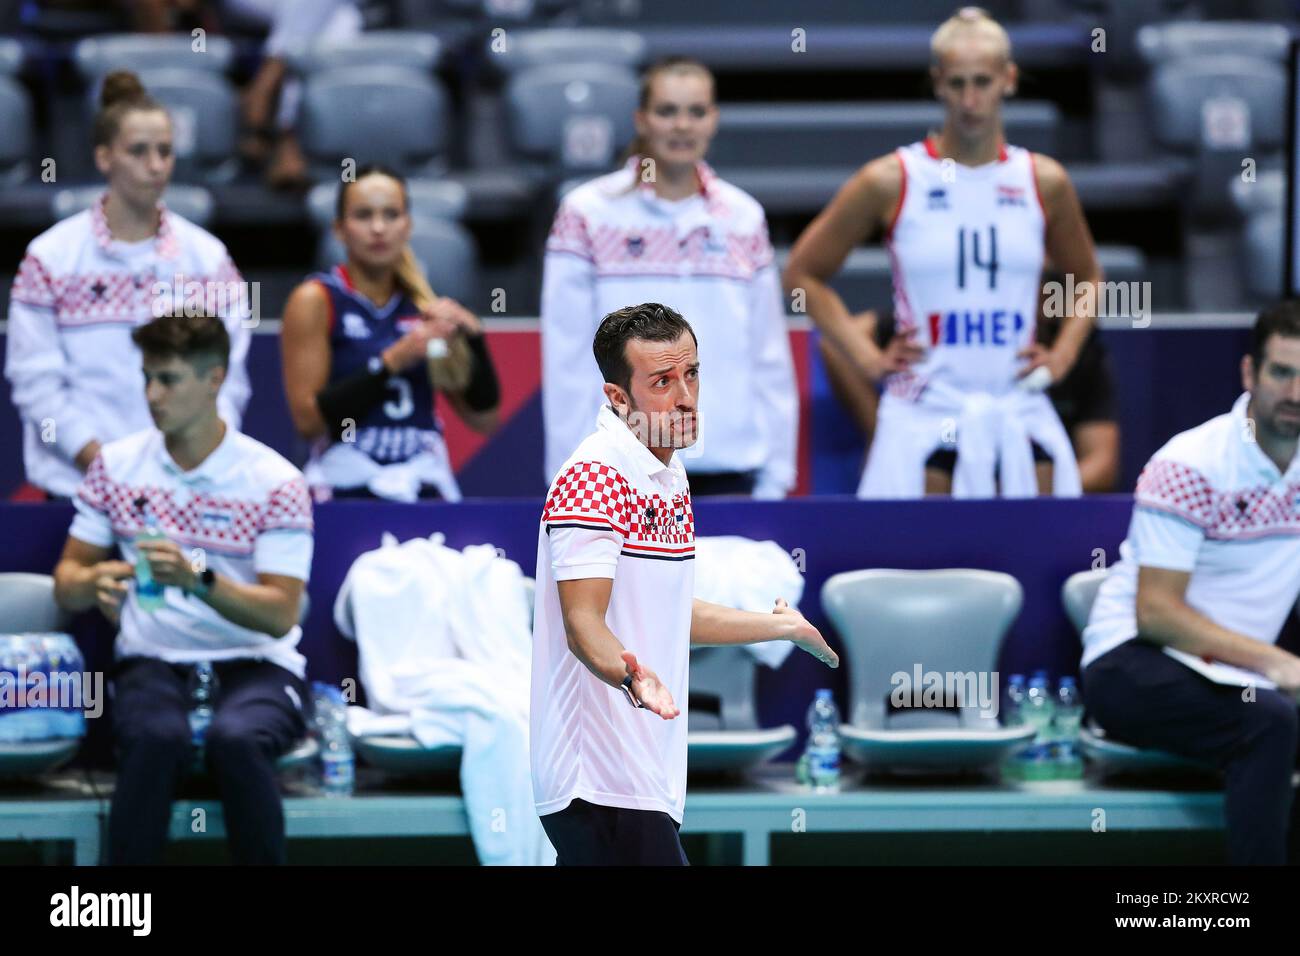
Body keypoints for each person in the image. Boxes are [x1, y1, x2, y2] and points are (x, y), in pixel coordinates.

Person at [530, 302, 838, 866]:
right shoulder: (594, 478)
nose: (686, 396)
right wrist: (632, 677)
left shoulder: (667, 473)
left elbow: (669, 609)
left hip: (645, 768)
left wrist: (777, 627)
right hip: (597, 776)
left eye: (692, 374)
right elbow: (582, 623)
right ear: (617, 398)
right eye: (663, 382)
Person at [783, 6, 1102, 498]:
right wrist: (866, 356)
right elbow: (803, 274)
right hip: (922, 412)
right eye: (957, 83)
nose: (970, 100)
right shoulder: (892, 178)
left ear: (1008, 79)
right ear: (937, 83)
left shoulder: (1043, 181)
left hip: (1017, 406)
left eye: (982, 81)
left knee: (1036, 562)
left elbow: (1087, 276)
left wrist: (1063, 355)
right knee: (906, 565)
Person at [52, 314, 313, 865]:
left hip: (258, 665)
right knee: (155, 738)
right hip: (152, 662)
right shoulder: (115, 468)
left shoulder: (276, 482)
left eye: (167, 380)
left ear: (214, 378)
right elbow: (66, 586)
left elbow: (281, 616)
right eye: (146, 377)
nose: (152, 395)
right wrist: (92, 581)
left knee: (236, 741)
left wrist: (197, 582)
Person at [1081, 301, 1300, 865]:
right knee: (1269, 724)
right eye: (1282, 372)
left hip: (1238, 670)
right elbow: (1156, 615)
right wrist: (1274, 664)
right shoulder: (1190, 464)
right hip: (1132, 662)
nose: (1296, 393)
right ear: (1250, 373)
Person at [541, 57, 797, 499]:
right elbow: (565, 356)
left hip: (730, 465)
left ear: (713, 119)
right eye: (667, 111)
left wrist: (777, 472)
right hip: (619, 466)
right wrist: (568, 470)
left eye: (696, 112)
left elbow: (768, 353)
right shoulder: (586, 211)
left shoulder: (743, 217)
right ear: (641, 119)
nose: (682, 125)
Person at [6, 70, 252, 501]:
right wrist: (106, 467)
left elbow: (227, 380)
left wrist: (198, 457)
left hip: (184, 490)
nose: (156, 166)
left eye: (165, 151)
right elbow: (36, 384)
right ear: (104, 157)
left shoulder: (208, 258)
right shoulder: (50, 258)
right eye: (138, 151)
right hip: (76, 493)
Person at [280, 164, 501, 502]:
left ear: (408, 225)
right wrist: (393, 361)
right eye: (364, 215)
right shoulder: (316, 298)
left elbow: (483, 420)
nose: (379, 228)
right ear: (339, 229)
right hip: (344, 481)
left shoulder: (424, 304)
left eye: (391, 214)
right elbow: (308, 422)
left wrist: (474, 340)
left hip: (421, 481)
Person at [820, 308, 1121, 492]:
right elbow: (832, 338)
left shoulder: (1076, 348)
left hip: (1028, 498)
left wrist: (1024, 487)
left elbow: (1102, 465)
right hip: (938, 491)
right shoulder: (928, 326)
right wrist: (882, 430)